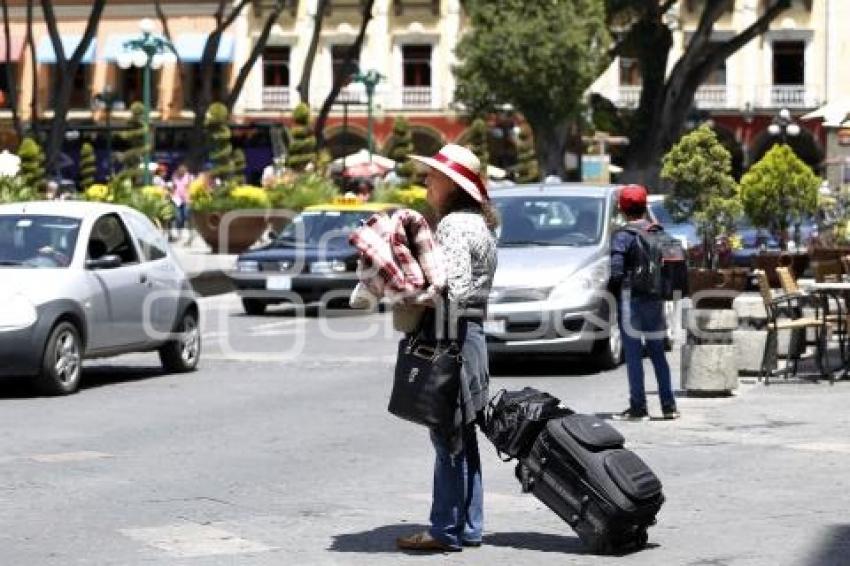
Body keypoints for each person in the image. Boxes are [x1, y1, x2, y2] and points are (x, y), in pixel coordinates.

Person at [394, 144, 499, 552]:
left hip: (451, 337)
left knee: (447, 436)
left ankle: (444, 530)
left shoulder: (454, 225)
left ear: (452, 186)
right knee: (462, 434)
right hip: (471, 337)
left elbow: (450, 290)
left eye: (433, 176)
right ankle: (469, 525)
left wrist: (408, 294)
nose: (426, 181)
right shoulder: (481, 225)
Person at [609, 184, 679, 421]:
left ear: (622, 208)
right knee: (658, 353)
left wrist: (610, 292)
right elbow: (674, 258)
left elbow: (616, 272)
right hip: (654, 298)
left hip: (630, 297)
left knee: (633, 354)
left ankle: (638, 407)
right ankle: (668, 406)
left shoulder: (622, 236)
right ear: (643, 206)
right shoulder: (657, 232)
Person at [170, 164, 194, 231]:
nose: (181, 172)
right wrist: (171, 194)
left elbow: (191, 187)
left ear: (185, 171)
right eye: (180, 171)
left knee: (186, 214)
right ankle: (179, 229)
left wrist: (191, 196)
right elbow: (174, 186)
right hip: (177, 199)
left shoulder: (189, 177)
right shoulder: (175, 176)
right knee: (178, 216)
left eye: (183, 171)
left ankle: (186, 227)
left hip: (186, 199)